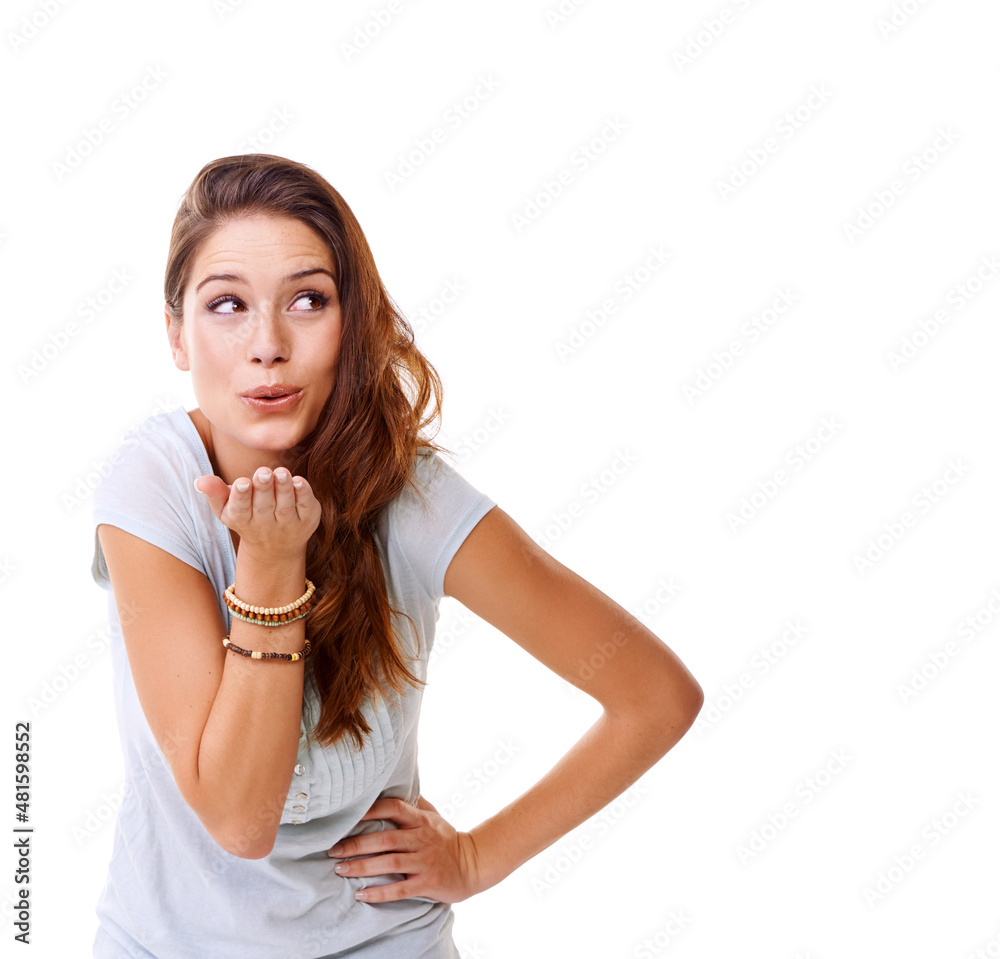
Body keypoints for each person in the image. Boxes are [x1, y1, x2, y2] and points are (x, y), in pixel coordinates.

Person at [89, 152, 704, 958]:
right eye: (227, 304)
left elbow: (654, 695)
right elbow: (239, 817)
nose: (266, 344)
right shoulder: (153, 483)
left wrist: (477, 856)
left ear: (353, 324)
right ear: (177, 335)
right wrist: (271, 570)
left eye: (308, 300)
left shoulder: (411, 499)